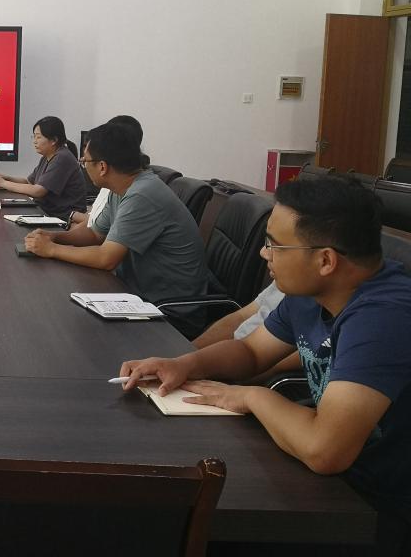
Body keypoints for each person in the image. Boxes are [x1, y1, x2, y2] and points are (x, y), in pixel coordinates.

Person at [120, 176, 411, 533]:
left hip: (376, 509)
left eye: (275, 245)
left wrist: (250, 397)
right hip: (330, 482)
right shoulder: (313, 292)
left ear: (325, 260)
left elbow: (325, 451)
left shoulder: (383, 317)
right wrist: (183, 363)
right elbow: (251, 351)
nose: (264, 253)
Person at [25, 121, 206, 302]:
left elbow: (106, 259)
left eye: (85, 161)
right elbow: (95, 234)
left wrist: (52, 249)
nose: (83, 165)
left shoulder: (141, 195)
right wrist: (54, 237)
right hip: (134, 289)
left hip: (167, 305)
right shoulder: (120, 188)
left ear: (102, 167)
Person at [0, 116, 88, 218]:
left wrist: (3, 183)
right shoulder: (47, 156)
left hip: (61, 218)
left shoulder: (62, 157)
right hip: (47, 213)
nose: (35, 141)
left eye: (38, 137)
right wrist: (6, 177)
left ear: (54, 140)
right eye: (34, 137)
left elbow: (38, 191)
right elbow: (29, 182)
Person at [69, 114, 146, 229]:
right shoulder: (115, 186)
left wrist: (72, 216)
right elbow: (96, 227)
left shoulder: (137, 194)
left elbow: (97, 229)